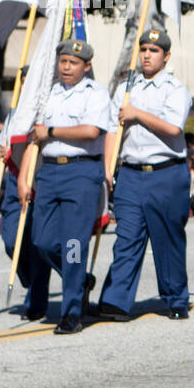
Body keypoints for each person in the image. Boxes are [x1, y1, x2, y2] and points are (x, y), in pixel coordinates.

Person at [16, 38, 116, 335]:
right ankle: (80, 280)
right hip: (50, 173)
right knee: (42, 241)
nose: (67, 67)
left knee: (73, 244)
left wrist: (52, 131)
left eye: (73, 63)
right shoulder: (48, 95)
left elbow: (91, 131)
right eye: (63, 61)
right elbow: (33, 132)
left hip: (81, 172)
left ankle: (72, 313)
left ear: (87, 66)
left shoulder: (95, 94)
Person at [93, 28, 194, 321]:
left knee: (167, 240)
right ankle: (116, 301)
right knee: (126, 238)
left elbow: (174, 128)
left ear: (166, 56)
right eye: (144, 50)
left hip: (166, 173)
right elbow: (113, 127)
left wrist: (136, 113)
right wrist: (109, 165)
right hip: (131, 173)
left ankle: (176, 298)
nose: (147, 55)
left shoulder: (174, 89)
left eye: (154, 51)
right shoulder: (127, 87)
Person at [0, 110, 52, 320]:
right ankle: (33, 281)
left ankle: (36, 302)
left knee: (38, 245)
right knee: (11, 241)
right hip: (15, 180)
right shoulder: (15, 113)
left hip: (41, 177)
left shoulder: (49, 107)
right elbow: (3, 154)